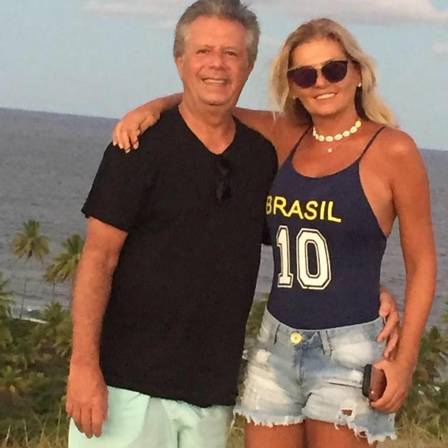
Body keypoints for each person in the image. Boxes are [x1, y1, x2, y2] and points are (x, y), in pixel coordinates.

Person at [111, 16, 436, 448]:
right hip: (275, 344)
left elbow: (423, 262)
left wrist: (405, 360)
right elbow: (209, 104)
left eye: (333, 69)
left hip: (348, 349)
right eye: (305, 75)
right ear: (293, 86)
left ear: (357, 73)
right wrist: (152, 108)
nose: (321, 83)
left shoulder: (393, 149)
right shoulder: (286, 136)